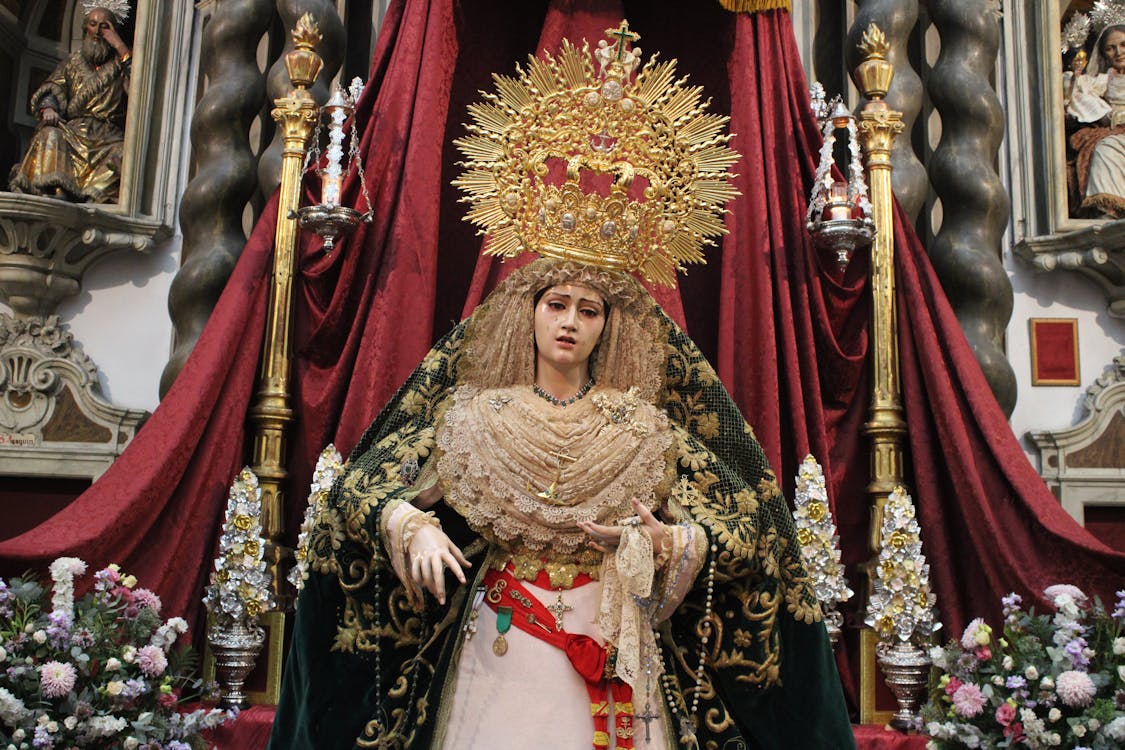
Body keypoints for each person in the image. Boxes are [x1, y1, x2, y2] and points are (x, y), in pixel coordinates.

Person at [269, 25, 855, 750]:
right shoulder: (473, 416)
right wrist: (408, 524)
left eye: (588, 308)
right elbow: (362, 494)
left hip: (610, 638)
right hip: (500, 642)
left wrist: (671, 543)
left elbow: (748, 532)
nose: (570, 322)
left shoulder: (640, 427)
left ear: (610, 323)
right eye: (556, 305)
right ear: (529, 312)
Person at [8, 2, 132, 203]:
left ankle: (96, 200)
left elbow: (141, 86)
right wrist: (48, 107)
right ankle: (57, 192)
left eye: (105, 26)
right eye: (93, 24)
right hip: (74, 131)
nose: (98, 32)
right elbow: (52, 88)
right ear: (85, 28)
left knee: (124, 154)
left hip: (107, 136)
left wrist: (119, 46)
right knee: (50, 135)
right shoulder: (72, 65)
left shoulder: (122, 62)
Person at [1071, 24, 1125, 217]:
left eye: (1123, 45)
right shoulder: (1107, 79)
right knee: (1106, 148)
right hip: (1118, 130)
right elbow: (1080, 92)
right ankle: (1110, 210)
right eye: (1111, 48)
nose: (1118, 52)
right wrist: (1075, 77)